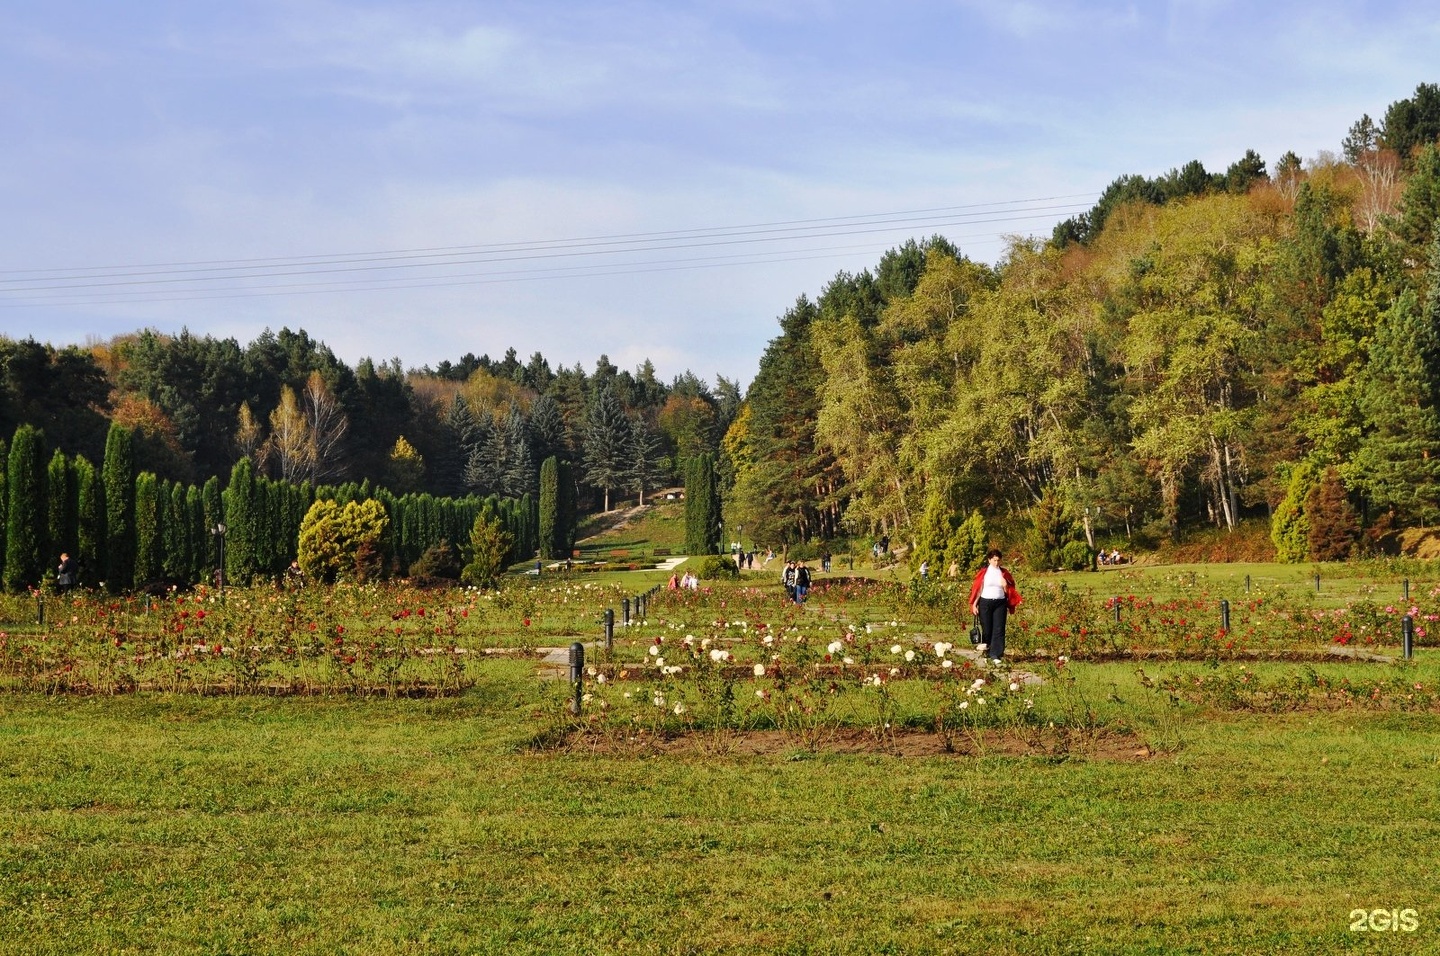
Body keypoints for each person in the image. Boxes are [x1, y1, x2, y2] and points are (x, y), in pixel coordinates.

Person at [967, 548, 1022, 663]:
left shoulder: (1004, 573)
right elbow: (978, 589)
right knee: (987, 628)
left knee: (999, 628)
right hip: (985, 602)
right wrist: (974, 604)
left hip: (1000, 603)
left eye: (998, 560)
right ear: (989, 560)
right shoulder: (984, 573)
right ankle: (987, 650)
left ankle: (996, 654)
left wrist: (1005, 586)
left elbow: (1009, 591)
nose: (996, 563)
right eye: (994, 560)